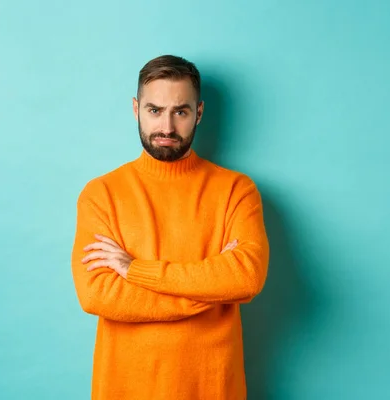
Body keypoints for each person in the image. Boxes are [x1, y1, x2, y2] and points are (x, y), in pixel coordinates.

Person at [70, 54, 270, 400]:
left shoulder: (236, 190)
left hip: (212, 388)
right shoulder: (101, 194)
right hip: (127, 388)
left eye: (181, 111)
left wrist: (135, 270)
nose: (167, 127)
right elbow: (97, 294)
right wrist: (209, 293)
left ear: (200, 113)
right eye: (154, 110)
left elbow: (245, 278)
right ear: (136, 109)